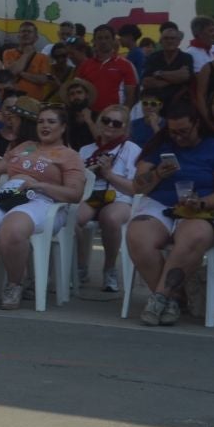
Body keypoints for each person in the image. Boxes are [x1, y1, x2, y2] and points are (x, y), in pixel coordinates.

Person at [0, 104, 86, 309]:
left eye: (51, 122)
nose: (45, 126)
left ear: (63, 127)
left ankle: (14, 284)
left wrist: (40, 185)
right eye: (41, 122)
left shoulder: (69, 155)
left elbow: (75, 194)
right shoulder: (25, 146)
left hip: (43, 199)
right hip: (9, 194)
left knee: (13, 227)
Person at [123, 99, 214, 326]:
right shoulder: (161, 145)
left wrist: (202, 203)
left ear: (197, 124)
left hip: (201, 207)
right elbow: (138, 186)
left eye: (184, 131)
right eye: (173, 132)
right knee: (138, 236)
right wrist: (157, 174)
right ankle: (174, 299)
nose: (178, 137)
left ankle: (159, 299)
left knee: (193, 237)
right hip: (161, 204)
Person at [75, 103, 141, 292]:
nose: (110, 125)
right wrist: (89, 172)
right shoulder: (86, 150)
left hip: (119, 196)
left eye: (116, 123)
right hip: (91, 195)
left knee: (110, 218)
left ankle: (109, 269)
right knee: (71, 218)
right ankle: (80, 266)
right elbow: (77, 182)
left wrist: (109, 174)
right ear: (99, 121)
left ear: (125, 127)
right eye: (106, 120)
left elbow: (134, 188)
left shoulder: (131, 150)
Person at [76, 26, 138, 113]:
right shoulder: (85, 65)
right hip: (89, 114)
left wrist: (123, 114)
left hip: (114, 115)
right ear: (94, 41)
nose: (103, 41)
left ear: (113, 40)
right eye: (100, 38)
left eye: (107, 38)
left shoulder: (126, 65)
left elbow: (130, 95)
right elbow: (76, 90)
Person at [0, 20, 53, 103]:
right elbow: (12, 72)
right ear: (18, 36)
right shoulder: (8, 53)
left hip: (34, 103)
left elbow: (43, 80)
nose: (26, 34)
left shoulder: (43, 57)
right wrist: (26, 54)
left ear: (36, 37)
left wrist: (21, 73)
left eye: (29, 31)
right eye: (23, 31)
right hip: (12, 101)